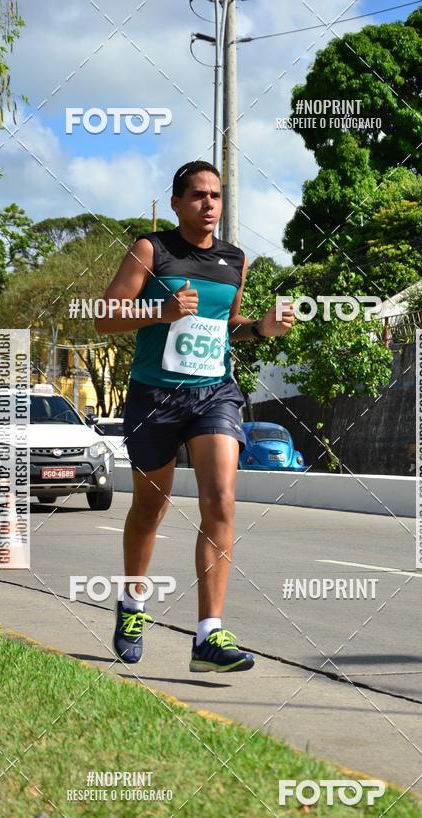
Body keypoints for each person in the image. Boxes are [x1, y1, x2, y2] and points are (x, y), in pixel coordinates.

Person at [95, 160, 294, 672]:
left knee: (221, 499)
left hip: (214, 394)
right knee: (150, 508)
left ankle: (209, 635)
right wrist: (160, 312)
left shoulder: (235, 260)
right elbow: (105, 317)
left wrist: (263, 328)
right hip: (154, 398)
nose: (209, 204)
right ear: (178, 202)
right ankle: (133, 605)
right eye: (199, 195)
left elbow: (229, 327)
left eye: (217, 196)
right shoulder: (151, 250)